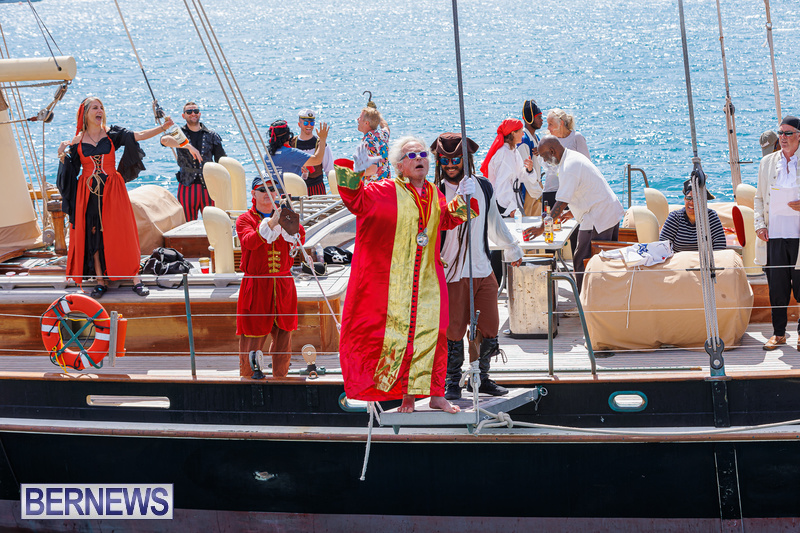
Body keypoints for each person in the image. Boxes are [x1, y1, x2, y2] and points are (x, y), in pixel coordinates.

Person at [335, 136, 478, 413]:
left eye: (423, 154)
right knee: (401, 336)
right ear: (399, 166)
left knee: (433, 336)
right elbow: (356, 201)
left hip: (428, 280)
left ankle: (436, 394)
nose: (420, 158)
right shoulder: (384, 190)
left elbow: (447, 219)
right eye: (412, 155)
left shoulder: (434, 193)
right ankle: (407, 397)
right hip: (394, 283)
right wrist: (357, 174)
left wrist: (464, 197)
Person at [432, 132, 523, 400]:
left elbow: (494, 223)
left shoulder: (482, 186)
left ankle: (482, 378)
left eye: (456, 159)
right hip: (452, 272)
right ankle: (452, 381)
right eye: (445, 160)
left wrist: (511, 247)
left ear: (467, 159)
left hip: (482, 268)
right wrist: (459, 198)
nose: (451, 165)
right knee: (453, 330)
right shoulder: (433, 193)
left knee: (489, 326)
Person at [56, 96, 167, 299]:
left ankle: (135, 278)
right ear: (85, 113)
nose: (100, 110)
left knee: (123, 231)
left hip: (113, 190)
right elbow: (70, 172)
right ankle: (100, 281)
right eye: (95, 108)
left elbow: (138, 136)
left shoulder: (112, 134)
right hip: (88, 193)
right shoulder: (77, 140)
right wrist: (61, 154)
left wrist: (163, 127)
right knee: (93, 234)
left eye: (101, 107)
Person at [531, 136, 624, 292]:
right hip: (608, 213)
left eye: (544, 156)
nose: (545, 161)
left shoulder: (569, 166)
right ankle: (599, 298)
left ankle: (584, 300)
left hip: (598, 218)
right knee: (603, 261)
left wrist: (542, 227)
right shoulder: (573, 157)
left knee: (583, 261)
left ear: (552, 151)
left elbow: (561, 202)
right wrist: (571, 213)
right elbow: (586, 190)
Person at [235, 174, 305, 378]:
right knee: (252, 338)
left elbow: (300, 237)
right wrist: (272, 224)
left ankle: (280, 378)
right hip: (257, 286)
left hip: (283, 285)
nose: (268, 193)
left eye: (272, 189)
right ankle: (248, 377)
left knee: (284, 337)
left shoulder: (285, 215)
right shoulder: (244, 220)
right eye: (262, 190)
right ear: (253, 194)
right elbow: (249, 241)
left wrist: (289, 221)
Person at [754, 116, 800, 350]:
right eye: (780, 133)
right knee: (777, 289)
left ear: (799, 136)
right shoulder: (767, 163)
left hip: (799, 238)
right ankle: (779, 334)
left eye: (788, 133)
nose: (782, 137)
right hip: (774, 236)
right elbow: (759, 198)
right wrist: (759, 225)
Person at [160, 101, 226, 222]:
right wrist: (187, 146)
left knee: (213, 222)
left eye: (195, 111)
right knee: (187, 223)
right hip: (187, 185)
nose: (193, 114)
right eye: (189, 112)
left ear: (199, 114)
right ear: (183, 115)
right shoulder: (179, 134)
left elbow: (221, 160)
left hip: (209, 186)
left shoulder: (211, 135)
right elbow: (164, 140)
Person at [480, 118, 540, 217]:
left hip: (511, 203)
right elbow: (501, 184)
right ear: (513, 133)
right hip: (503, 206)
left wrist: (529, 170)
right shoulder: (504, 153)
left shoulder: (513, 151)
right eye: (520, 132)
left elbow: (519, 176)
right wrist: (510, 209)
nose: (523, 134)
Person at [659, 179, 726, 253]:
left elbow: (720, 245)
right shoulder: (675, 217)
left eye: (697, 199)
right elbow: (663, 246)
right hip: (680, 259)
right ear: (684, 199)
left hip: (706, 260)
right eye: (689, 198)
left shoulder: (710, 217)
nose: (691, 202)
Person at [542, 108, 590, 209]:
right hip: (550, 191)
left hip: (571, 193)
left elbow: (586, 166)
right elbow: (545, 164)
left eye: (550, 124)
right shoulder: (549, 140)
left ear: (561, 123)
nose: (548, 128)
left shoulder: (576, 138)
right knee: (548, 219)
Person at [264, 119, 330, 187]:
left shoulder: (267, 155)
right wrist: (322, 139)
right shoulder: (292, 153)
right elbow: (317, 160)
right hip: (290, 193)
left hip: (273, 193)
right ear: (288, 136)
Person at [292, 109, 333, 195]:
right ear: (299, 124)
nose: (309, 126)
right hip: (296, 188)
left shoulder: (321, 144)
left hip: (317, 188)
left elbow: (329, 170)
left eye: (312, 123)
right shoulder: (292, 143)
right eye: (305, 123)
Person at [518, 100, 544, 216]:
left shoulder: (535, 137)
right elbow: (525, 171)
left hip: (536, 187)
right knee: (527, 222)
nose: (541, 120)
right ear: (530, 119)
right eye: (539, 117)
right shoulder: (524, 140)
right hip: (529, 190)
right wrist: (538, 192)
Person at [356, 101, 390, 181]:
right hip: (386, 184)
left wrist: (354, 173)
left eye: (360, 118)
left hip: (373, 187)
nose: (357, 119)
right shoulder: (383, 135)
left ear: (366, 123)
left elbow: (372, 170)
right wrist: (375, 114)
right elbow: (385, 126)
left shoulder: (368, 142)